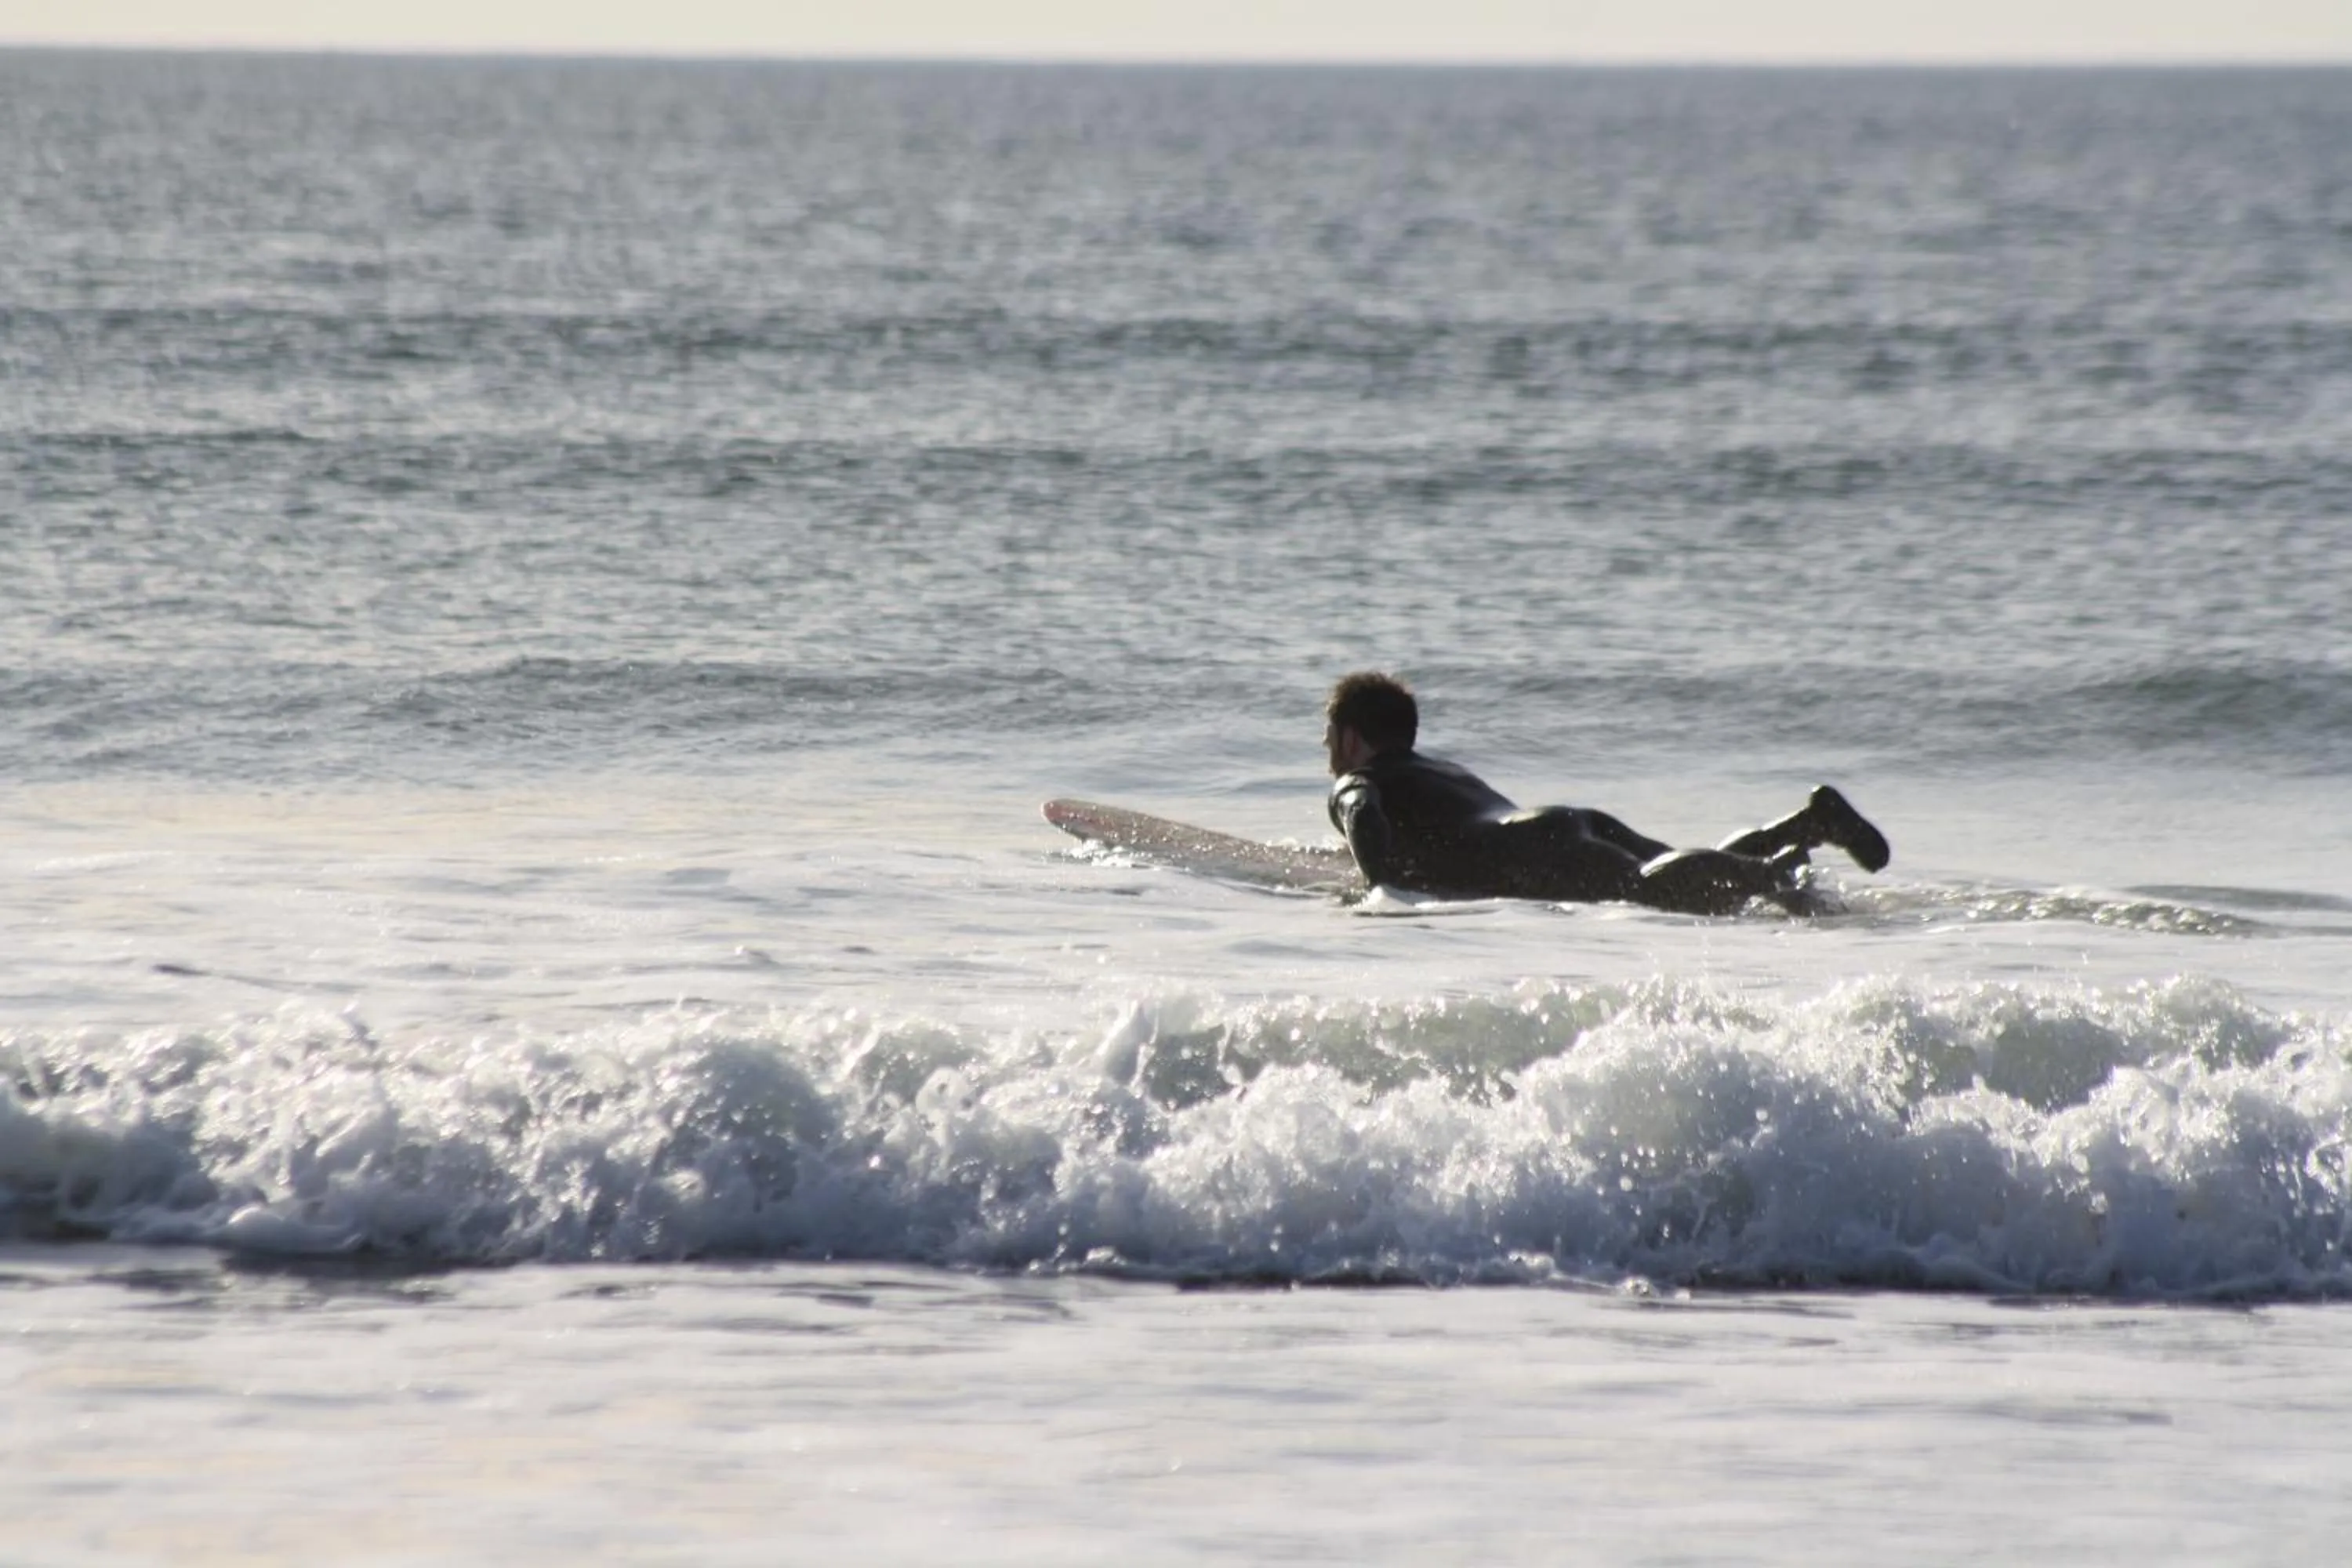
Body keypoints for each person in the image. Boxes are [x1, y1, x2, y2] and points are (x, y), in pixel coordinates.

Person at [1323, 671, 1889, 916]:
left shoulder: (1361, 780)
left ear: (1351, 738)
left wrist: (1381, 890)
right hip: (1559, 824)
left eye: (1329, 737)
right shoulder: (1443, 772)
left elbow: (1362, 815)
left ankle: (1776, 873)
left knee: (1650, 892)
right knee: (1671, 865)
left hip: (1534, 850)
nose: (1328, 750)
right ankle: (1807, 825)